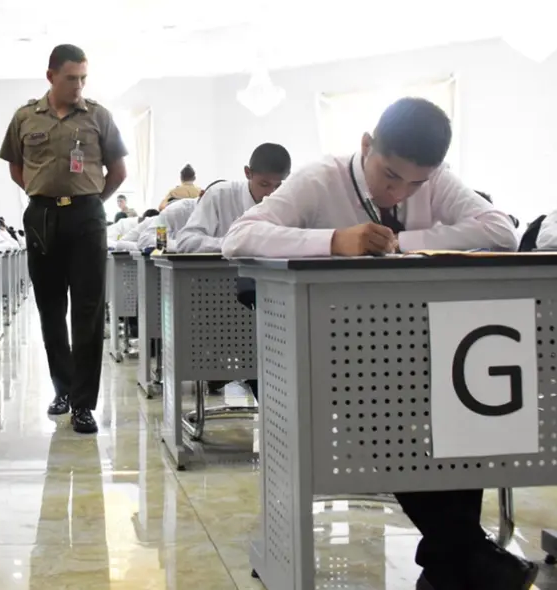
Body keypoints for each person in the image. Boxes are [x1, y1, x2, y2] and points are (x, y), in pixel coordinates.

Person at [223, 98, 525, 590]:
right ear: (366, 146)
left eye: (416, 183)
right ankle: (465, 558)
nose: (399, 191)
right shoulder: (322, 177)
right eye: (390, 176)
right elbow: (239, 237)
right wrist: (333, 240)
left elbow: (501, 232)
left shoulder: (434, 179)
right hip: (337, 351)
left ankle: (457, 564)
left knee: (459, 417)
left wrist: (401, 243)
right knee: (382, 420)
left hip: (423, 344)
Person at [0, 43, 127, 434]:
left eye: (83, 78)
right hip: (41, 216)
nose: (79, 86)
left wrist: (89, 203)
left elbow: (118, 172)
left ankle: (84, 405)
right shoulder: (24, 117)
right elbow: (17, 170)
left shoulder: (98, 116)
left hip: (87, 215)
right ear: (51, 75)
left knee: (87, 312)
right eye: (71, 78)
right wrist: (47, 197)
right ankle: (64, 390)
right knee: (50, 309)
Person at [176, 143, 291, 253]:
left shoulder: (287, 203)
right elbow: (186, 241)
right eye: (264, 184)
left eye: (278, 186)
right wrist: (232, 245)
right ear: (248, 173)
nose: (271, 193)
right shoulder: (219, 195)